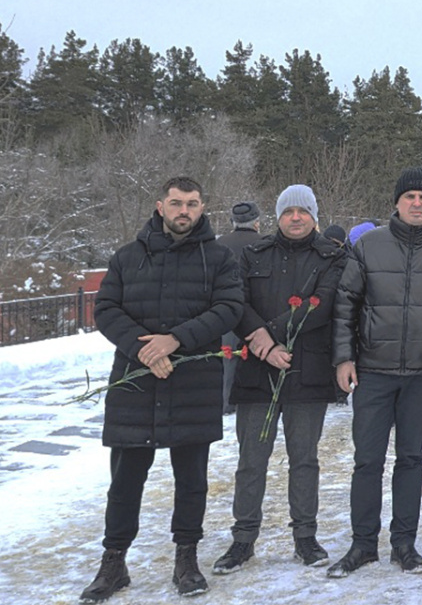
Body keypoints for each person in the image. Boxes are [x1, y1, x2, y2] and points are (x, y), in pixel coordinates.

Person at [82, 177, 243, 602]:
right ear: (160, 206)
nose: (183, 211)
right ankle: (114, 561)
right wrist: (145, 349)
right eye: (176, 203)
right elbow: (106, 309)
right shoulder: (127, 257)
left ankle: (186, 559)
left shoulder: (219, 258)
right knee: (125, 481)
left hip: (192, 381)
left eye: (191, 203)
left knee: (191, 480)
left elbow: (229, 307)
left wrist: (175, 340)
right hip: (136, 384)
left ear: (202, 206)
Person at [327, 166, 422, 577]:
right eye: (409, 196)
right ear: (396, 201)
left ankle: (404, 543)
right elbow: (345, 306)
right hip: (373, 370)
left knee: (410, 458)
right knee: (367, 460)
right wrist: (344, 358)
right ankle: (362, 544)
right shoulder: (369, 245)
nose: (416, 203)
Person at [211, 185, 347, 575]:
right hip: (257, 371)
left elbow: (321, 306)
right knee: (251, 460)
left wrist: (266, 336)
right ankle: (243, 538)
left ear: (314, 216)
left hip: (308, 372)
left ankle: (305, 536)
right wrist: (263, 343)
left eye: (303, 211)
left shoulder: (332, 257)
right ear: (278, 216)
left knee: (304, 459)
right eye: (288, 211)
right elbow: (236, 302)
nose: (296, 217)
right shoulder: (254, 254)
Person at [217, 201, 262, 415]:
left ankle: (227, 402)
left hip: (225, 310)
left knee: (229, 357)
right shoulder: (266, 243)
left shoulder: (219, 245)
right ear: (257, 222)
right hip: (258, 310)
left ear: (233, 221)